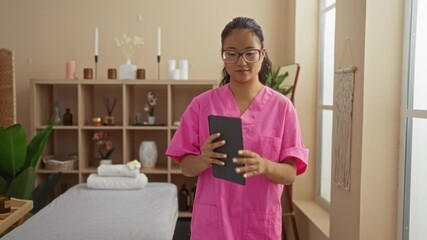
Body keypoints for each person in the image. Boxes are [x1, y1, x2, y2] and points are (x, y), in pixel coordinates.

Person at [166, 16, 308, 240]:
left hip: (258, 225)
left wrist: (265, 166)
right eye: (231, 53)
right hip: (213, 225)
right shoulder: (202, 105)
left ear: (262, 54)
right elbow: (185, 167)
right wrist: (204, 159)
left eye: (250, 53)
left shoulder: (282, 108)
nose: (241, 62)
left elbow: (290, 174)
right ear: (223, 56)